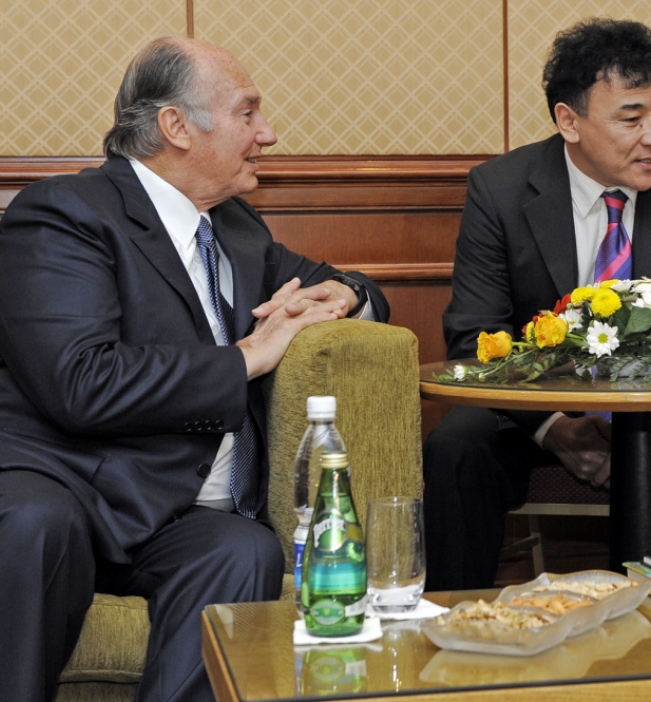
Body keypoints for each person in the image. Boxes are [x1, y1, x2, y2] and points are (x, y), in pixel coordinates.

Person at [0, 36, 390, 702]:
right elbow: (81, 384)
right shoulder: (64, 216)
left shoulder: (235, 229)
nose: (267, 134)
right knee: (37, 525)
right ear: (175, 127)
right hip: (69, 483)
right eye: (247, 113)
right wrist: (245, 358)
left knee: (244, 549)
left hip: (170, 509)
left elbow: (325, 280)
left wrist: (350, 291)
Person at [424, 18, 651, 590]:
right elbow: (473, 334)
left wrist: (644, 427)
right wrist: (555, 427)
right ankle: (460, 630)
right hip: (535, 412)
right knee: (457, 446)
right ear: (568, 121)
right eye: (632, 118)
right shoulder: (500, 191)